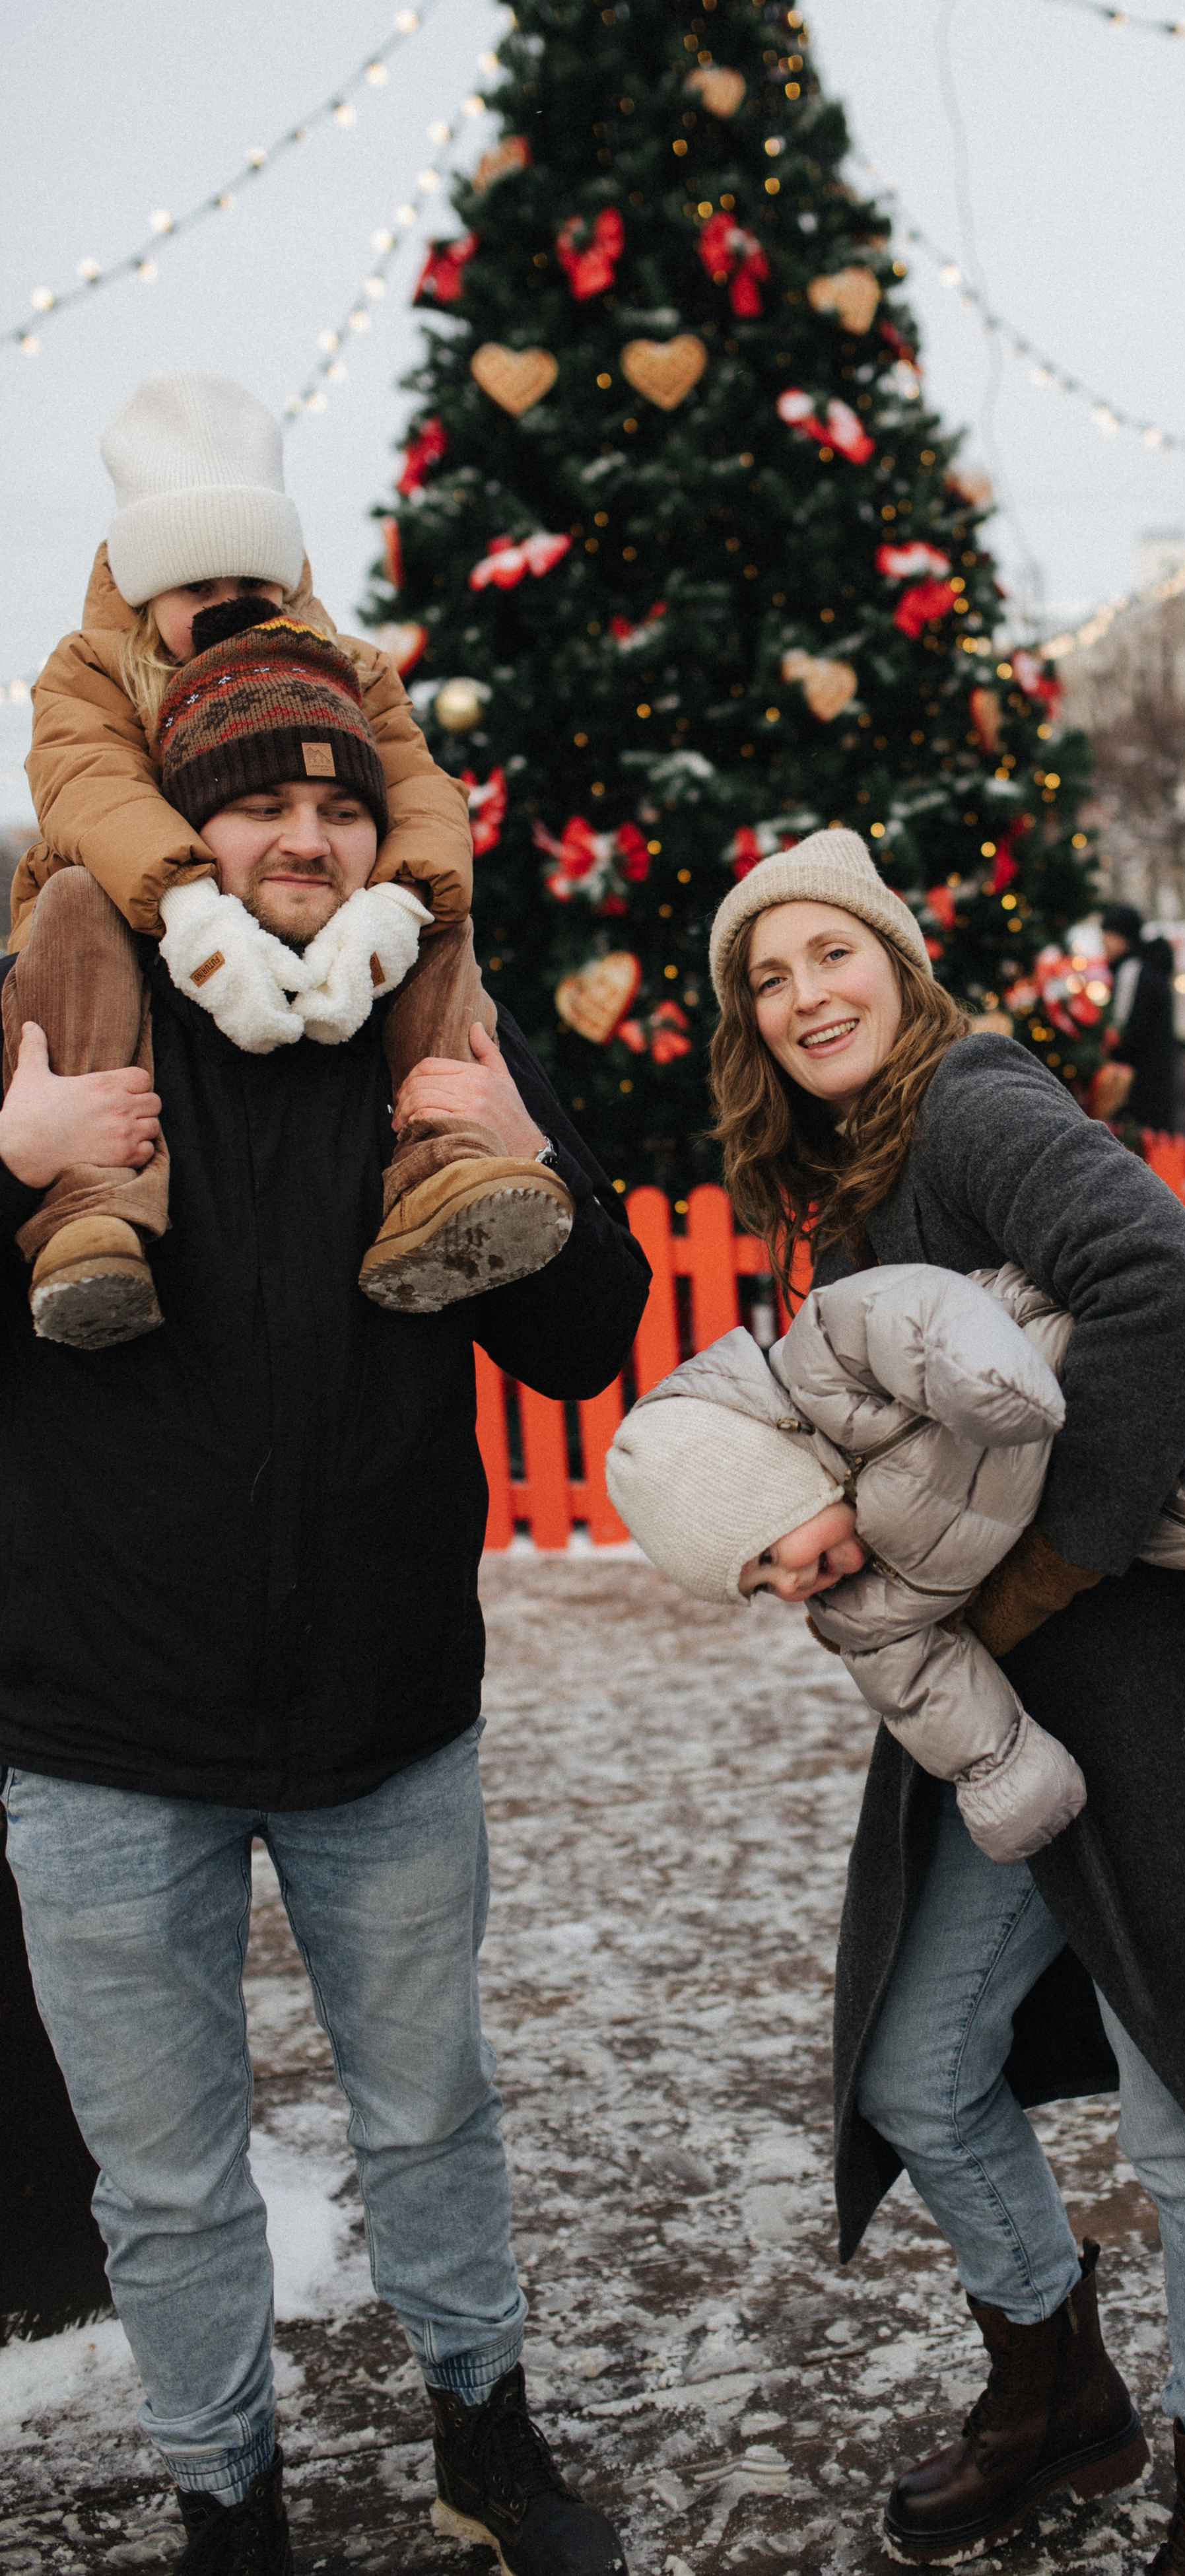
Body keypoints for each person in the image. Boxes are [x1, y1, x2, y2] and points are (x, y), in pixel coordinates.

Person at [702, 830, 1185, 2575]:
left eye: (832, 952)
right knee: (917, 2068)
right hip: (1026, 1711)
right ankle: (1057, 2389)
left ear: (904, 968)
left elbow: (1163, 1280)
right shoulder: (850, 1178)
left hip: (1179, 1687)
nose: (802, 994)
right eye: (765, 977)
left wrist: (1055, 1552)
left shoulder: (974, 1103)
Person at [0, 639, 650, 2574]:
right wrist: (11, 1160)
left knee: (432, 2110)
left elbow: (584, 1339)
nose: (303, 833)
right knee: (169, 2174)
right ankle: (229, 2502)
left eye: (336, 803)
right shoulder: (55, 1018)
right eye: (260, 803)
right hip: (102, 1729)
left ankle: (488, 2442)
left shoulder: (432, 1023)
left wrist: (529, 1157)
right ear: (186, 832)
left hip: (381, 1713)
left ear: (379, 832)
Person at [605, 1145, 1185, 1865]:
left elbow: (915, 1313)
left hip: (1116, 1327)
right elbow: (927, 1691)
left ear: (778, 1474)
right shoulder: (864, 1612)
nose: (789, 1586)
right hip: (1148, 1482)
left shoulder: (825, 1361)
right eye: (760, 1587)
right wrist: (998, 1768)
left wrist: (982, 1375)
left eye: (770, 1552)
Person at [15, 369, 560, 1346]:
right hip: (124, 929)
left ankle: (447, 1164)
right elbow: (92, 788)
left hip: (327, 954)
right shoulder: (93, 670)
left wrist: (392, 907)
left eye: (254, 586)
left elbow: (421, 789)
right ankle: (93, 1199)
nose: (232, 607)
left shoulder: (346, 670)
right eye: (199, 588)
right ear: (148, 589)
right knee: (74, 897)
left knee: (437, 907)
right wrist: (191, 905)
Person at [1099, 905, 1178, 1136]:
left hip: (1137, 1085)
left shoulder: (1131, 970)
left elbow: (1121, 1029)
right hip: (1157, 1083)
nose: (1104, 942)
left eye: (1108, 936)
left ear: (1123, 938)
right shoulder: (1152, 968)